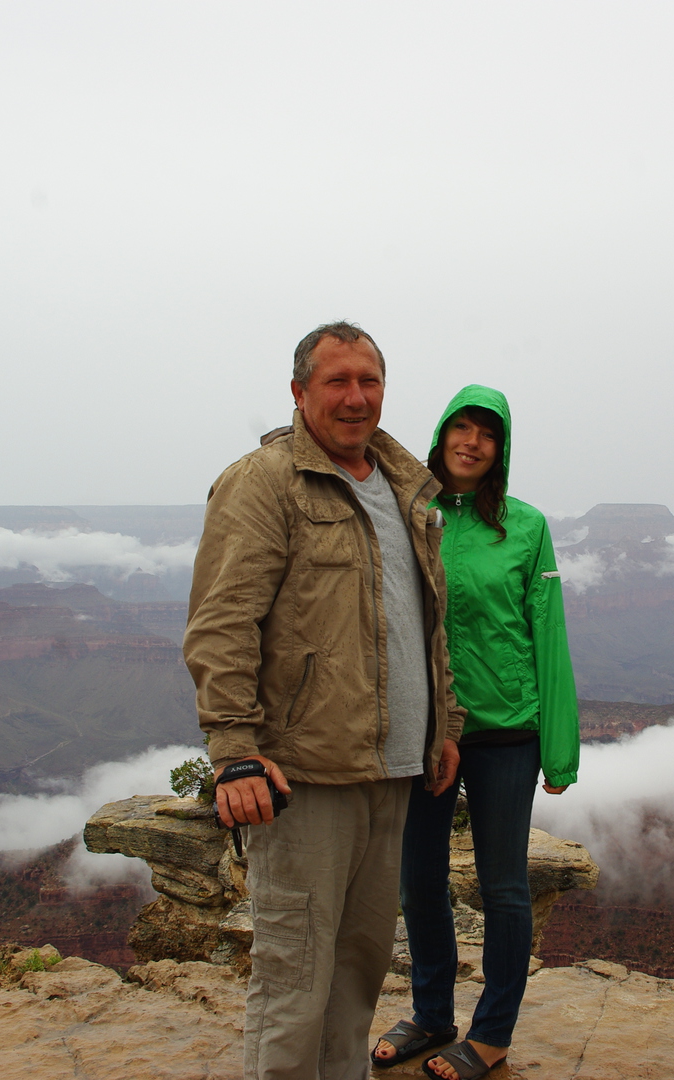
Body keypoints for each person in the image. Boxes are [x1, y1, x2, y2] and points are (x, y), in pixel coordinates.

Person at [185, 321, 465, 1080]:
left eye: (368, 381)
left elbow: (423, 621)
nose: (355, 397)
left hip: (392, 770)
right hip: (303, 775)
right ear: (299, 390)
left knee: (359, 969)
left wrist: (444, 725)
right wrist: (234, 752)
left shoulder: (404, 486)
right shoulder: (265, 480)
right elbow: (222, 623)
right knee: (294, 979)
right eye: (336, 381)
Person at [371, 385, 580, 1080]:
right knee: (419, 880)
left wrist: (559, 748)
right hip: (425, 728)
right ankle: (431, 1014)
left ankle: (491, 1035)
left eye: (487, 434)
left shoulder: (526, 526)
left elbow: (547, 628)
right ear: (440, 436)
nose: (472, 442)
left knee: (504, 887)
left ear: (501, 449)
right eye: (461, 428)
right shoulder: (412, 513)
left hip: (506, 729)